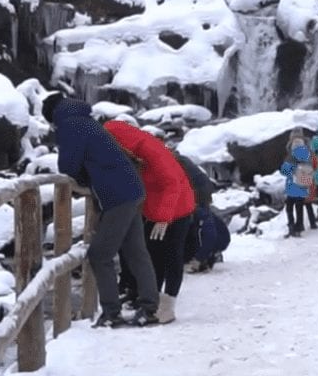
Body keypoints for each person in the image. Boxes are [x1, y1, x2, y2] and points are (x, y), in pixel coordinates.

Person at [41, 92, 159, 328]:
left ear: (53, 116)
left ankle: (111, 312)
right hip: (132, 189)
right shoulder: (84, 119)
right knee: (135, 251)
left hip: (118, 195)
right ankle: (149, 308)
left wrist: (81, 181)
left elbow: (69, 164)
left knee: (100, 255)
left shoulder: (69, 124)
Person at [104, 120, 196, 325]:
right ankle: (151, 303)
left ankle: (167, 306)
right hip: (153, 209)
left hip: (177, 208)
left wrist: (164, 219)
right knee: (153, 254)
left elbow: (172, 184)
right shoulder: (127, 154)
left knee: (172, 255)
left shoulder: (152, 151)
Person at [175, 151, 230, 272]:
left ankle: (202, 255)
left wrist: (198, 259)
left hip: (198, 193)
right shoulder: (181, 160)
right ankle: (205, 253)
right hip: (200, 193)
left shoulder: (175, 164)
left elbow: (210, 234)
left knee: (195, 224)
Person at [283, 128, 318, 230]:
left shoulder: (293, 147)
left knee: (291, 204)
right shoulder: (308, 147)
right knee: (306, 201)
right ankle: (310, 223)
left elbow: (287, 167)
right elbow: (313, 161)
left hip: (296, 178)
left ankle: (296, 225)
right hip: (307, 175)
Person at [279, 145, 316, 237]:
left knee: (289, 208)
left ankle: (291, 227)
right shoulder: (307, 156)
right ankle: (299, 227)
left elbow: (283, 171)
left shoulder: (291, 157)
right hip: (302, 188)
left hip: (292, 188)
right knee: (299, 209)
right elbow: (311, 171)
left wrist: (291, 171)